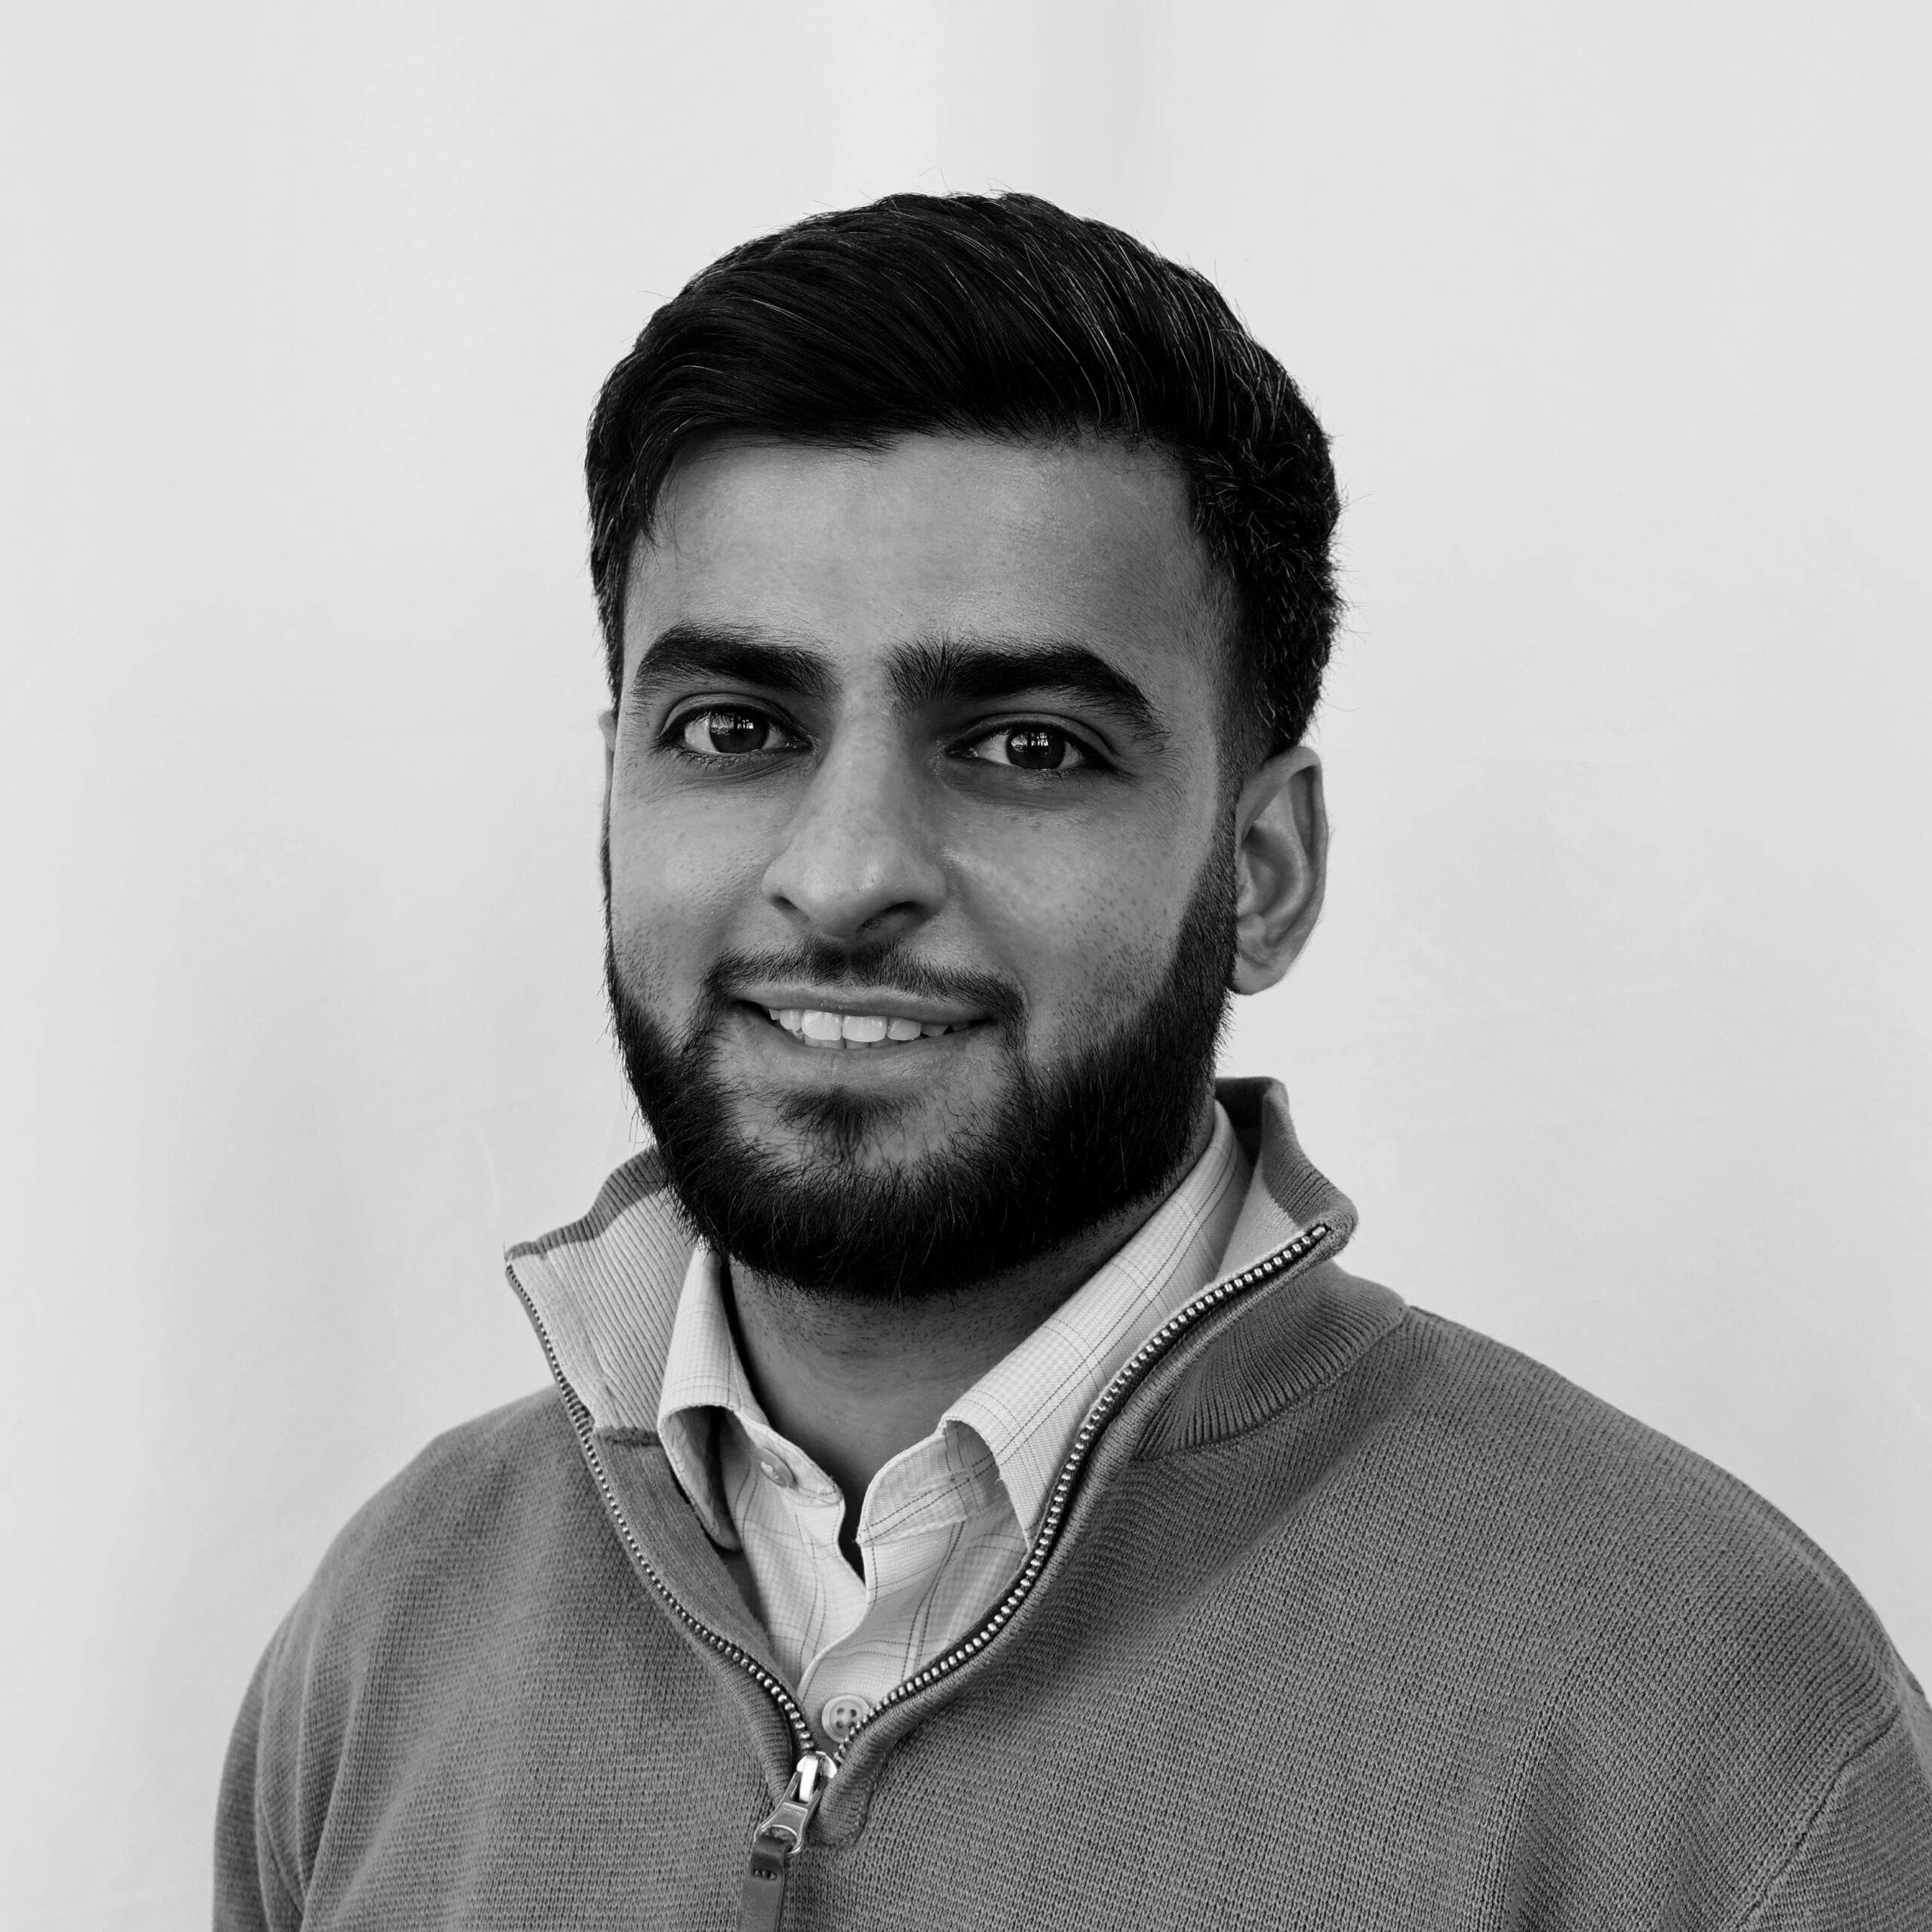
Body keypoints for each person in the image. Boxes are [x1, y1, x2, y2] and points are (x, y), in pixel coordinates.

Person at [215, 192, 1932, 1930]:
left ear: (1258, 873)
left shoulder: (1711, 1730)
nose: (844, 867)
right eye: (732, 728)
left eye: (1027, 743)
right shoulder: (389, 1641)